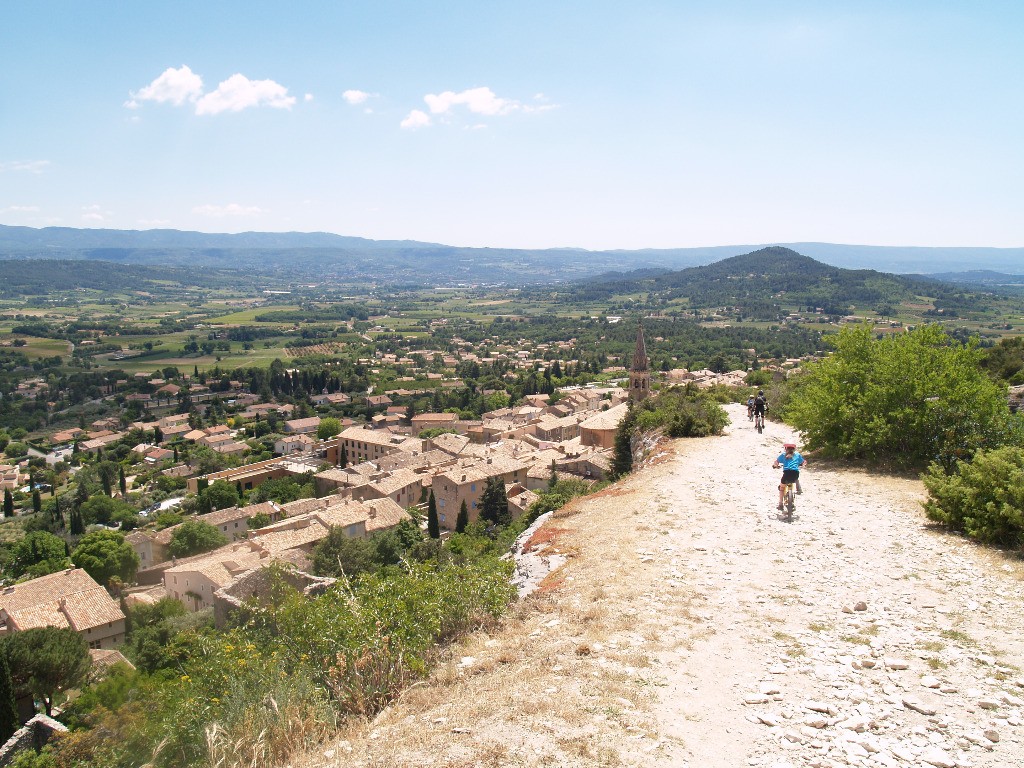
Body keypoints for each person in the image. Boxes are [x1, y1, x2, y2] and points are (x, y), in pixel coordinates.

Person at [773, 442, 806, 510]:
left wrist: (775, 466)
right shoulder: (797, 454)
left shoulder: (783, 455)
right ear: (794, 449)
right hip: (795, 474)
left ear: (785, 449)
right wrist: (803, 466)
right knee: (793, 481)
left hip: (787, 473)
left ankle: (780, 504)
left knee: (782, 488)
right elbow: (804, 462)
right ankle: (793, 495)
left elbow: (776, 462)